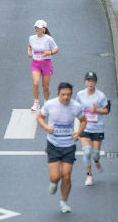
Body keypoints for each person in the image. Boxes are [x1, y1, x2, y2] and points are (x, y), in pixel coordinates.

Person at [36, 82, 86, 213]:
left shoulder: (76, 106)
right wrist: (46, 127)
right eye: (63, 94)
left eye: (68, 95)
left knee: (67, 175)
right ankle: (53, 183)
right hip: (53, 144)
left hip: (69, 145)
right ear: (58, 93)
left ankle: (63, 202)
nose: (66, 97)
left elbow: (83, 121)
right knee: (55, 177)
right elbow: (40, 117)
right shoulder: (50, 104)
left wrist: (78, 133)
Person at [74, 72, 110, 186]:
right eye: (88, 80)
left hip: (97, 128)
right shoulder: (80, 95)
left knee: (95, 154)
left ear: (95, 82)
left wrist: (97, 110)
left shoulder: (101, 96)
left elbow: (107, 110)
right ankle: (89, 175)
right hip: (85, 127)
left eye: (93, 80)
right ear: (85, 82)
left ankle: (97, 161)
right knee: (87, 152)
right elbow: (75, 107)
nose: (90, 82)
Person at [28, 20, 58, 111]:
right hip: (36, 63)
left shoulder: (49, 39)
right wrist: (29, 52)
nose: (36, 29)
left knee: (45, 87)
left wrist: (50, 52)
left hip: (46, 64)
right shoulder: (31, 38)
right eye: (36, 27)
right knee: (35, 83)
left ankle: (46, 103)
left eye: (39, 27)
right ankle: (36, 103)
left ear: (43, 29)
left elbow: (56, 49)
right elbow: (29, 46)